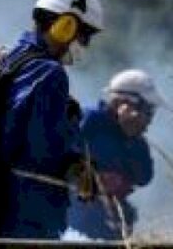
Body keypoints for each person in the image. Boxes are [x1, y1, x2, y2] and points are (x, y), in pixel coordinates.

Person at [0, 0, 104, 239]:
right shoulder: (50, 73)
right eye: (84, 36)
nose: (84, 46)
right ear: (66, 26)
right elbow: (44, 152)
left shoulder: (9, 59)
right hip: (26, 217)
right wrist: (77, 166)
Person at [68, 69, 165, 240]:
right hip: (78, 217)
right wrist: (92, 178)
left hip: (112, 219)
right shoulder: (90, 120)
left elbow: (144, 177)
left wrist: (131, 137)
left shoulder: (135, 138)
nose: (150, 119)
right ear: (125, 103)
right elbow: (61, 158)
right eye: (148, 110)